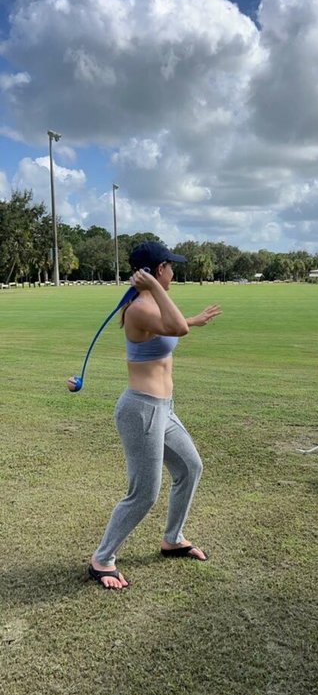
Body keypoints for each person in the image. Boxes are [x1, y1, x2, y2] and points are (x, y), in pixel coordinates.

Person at [89, 241, 221, 589]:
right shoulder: (139, 308)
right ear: (158, 270)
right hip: (141, 410)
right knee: (143, 493)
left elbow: (175, 325)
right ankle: (102, 560)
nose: (174, 273)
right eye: (170, 267)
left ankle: (172, 538)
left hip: (163, 408)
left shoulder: (150, 304)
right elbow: (178, 328)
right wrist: (155, 291)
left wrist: (194, 317)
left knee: (190, 467)